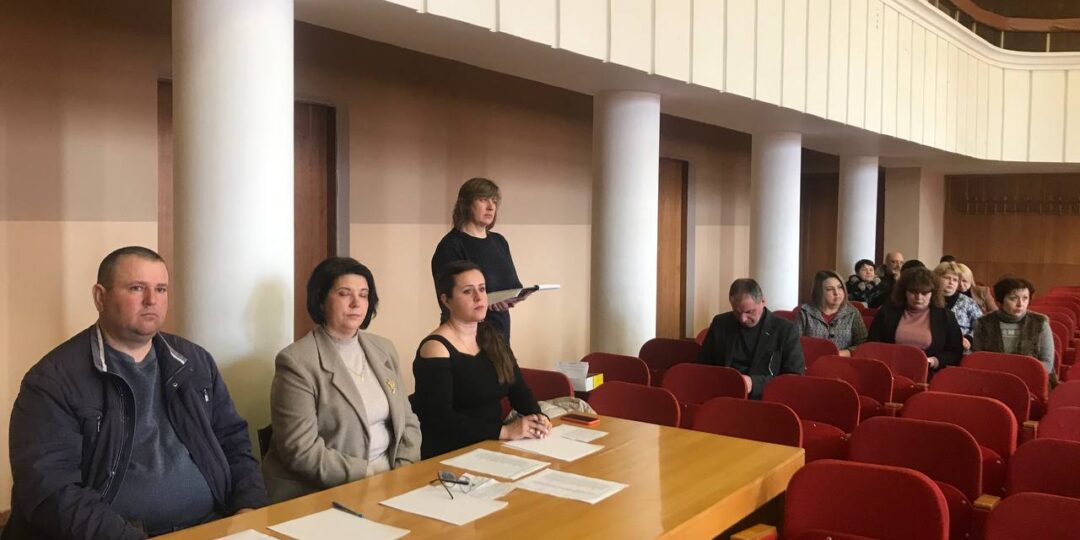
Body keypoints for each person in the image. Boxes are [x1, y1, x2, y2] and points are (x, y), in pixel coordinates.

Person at [4, 247, 267, 539]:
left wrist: (248, 507)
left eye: (161, 289)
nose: (151, 300)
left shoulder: (195, 362)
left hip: (211, 526)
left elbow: (234, 441)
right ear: (100, 297)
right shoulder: (52, 381)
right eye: (136, 288)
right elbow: (52, 491)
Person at [261, 257, 421, 503]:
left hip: (391, 480)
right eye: (344, 293)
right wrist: (369, 475)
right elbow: (300, 449)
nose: (356, 303)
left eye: (364, 295)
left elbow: (407, 420)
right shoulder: (296, 362)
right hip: (326, 491)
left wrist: (404, 471)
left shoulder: (384, 349)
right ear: (321, 300)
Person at [411, 260, 550, 459]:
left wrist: (539, 417)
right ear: (446, 300)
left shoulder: (492, 338)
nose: (479, 297)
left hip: (491, 445)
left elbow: (518, 389)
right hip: (451, 452)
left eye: (482, 289)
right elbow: (440, 419)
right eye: (468, 291)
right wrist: (504, 432)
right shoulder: (435, 348)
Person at [431, 177, 530, 342]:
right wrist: (489, 301)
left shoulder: (499, 241)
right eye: (483, 200)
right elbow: (450, 298)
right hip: (465, 335)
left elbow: (512, 285)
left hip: (500, 332)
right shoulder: (450, 246)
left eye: (494, 201)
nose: (491, 207)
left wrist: (516, 296)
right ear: (466, 204)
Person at [697, 278, 806, 399]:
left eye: (749, 312)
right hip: (724, 394)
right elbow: (702, 366)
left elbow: (794, 378)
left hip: (764, 398)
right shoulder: (721, 323)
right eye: (737, 312)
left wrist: (754, 383)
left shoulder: (785, 330)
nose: (743, 319)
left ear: (763, 302)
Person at [867, 267, 964, 373]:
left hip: (928, 371)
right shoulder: (887, 312)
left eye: (924, 293)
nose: (919, 297)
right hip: (889, 369)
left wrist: (935, 361)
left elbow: (955, 352)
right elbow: (872, 345)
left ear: (933, 293)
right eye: (913, 292)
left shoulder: (945, 316)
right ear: (904, 292)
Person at [973, 277, 1055, 379]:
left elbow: (1047, 363)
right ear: (1000, 301)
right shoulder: (983, 323)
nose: (1020, 304)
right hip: (993, 378)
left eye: (1025, 298)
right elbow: (979, 359)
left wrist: (1018, 376)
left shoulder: (1040, 322)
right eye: (1013, 298)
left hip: (1032, 379)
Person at [798, 270, 867, 356]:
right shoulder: (805, 312)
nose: (837, 293)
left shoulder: (852, 312)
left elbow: (863, 344)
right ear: (819, 292)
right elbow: (795, 343)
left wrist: (839, 354)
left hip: (842, 361)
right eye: (829, 289)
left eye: (840, 287)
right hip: (811, 361)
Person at [933, 261, 983, 350]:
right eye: (947, 278)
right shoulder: (928, 299)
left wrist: (969, 339)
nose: (951, 282)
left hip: (961, 349)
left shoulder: (968, 302)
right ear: (936, 278)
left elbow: (982, 327)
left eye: (955, 280)